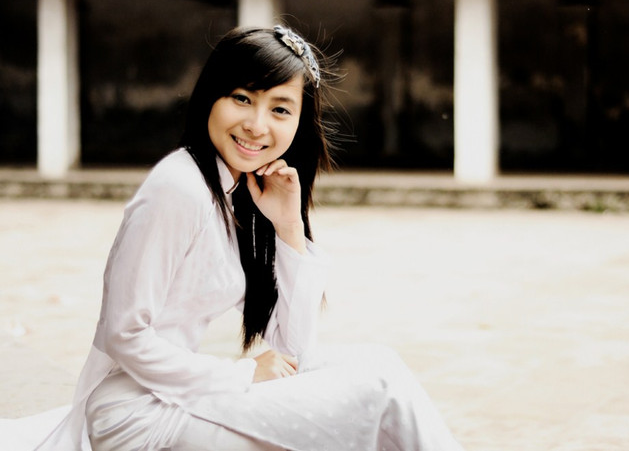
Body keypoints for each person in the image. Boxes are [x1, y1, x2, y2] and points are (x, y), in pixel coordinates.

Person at [34, 25, 464, 450]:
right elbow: (124, 334)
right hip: (139, 413)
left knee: (379, 363)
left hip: (186, 395)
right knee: (379, 389)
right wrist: (242, 374)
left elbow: (293, 349)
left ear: (299, 122)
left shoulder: (237, 193)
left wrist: (289, 227)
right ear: (211, 96)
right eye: (242, 98)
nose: (257, 126)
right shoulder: (178, 187)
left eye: (280, 110)